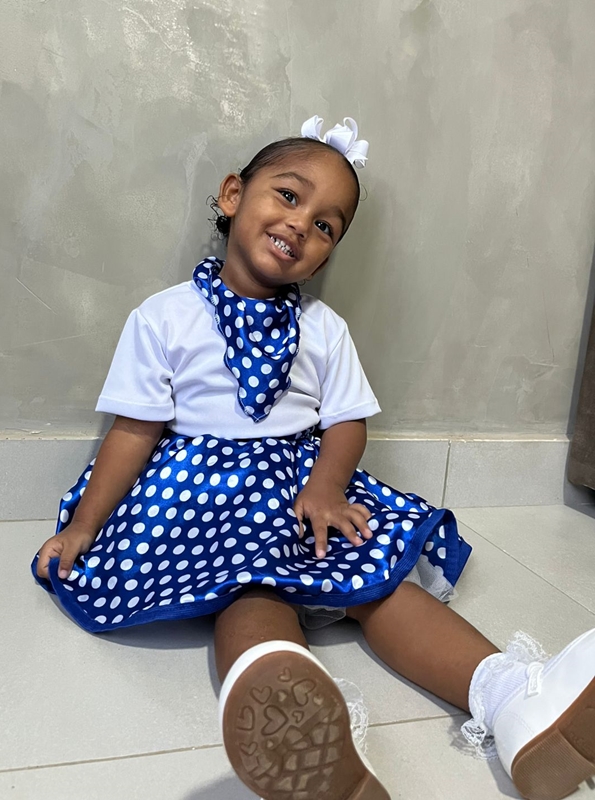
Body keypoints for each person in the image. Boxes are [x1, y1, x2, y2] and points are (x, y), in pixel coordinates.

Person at [33, 115, 594, 800]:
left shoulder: (322, 328)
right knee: (252, 591)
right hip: (199, 499)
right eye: (289, 196)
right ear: (233, 195)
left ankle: (513, 700)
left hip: (302, 487)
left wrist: (327, 488)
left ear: (326, 256)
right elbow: (132, 432)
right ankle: (299, 728)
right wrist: (84, 526)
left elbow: (346, 422)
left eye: (326, 225)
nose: (302, 224)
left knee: (377, 582)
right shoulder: (164, 316)